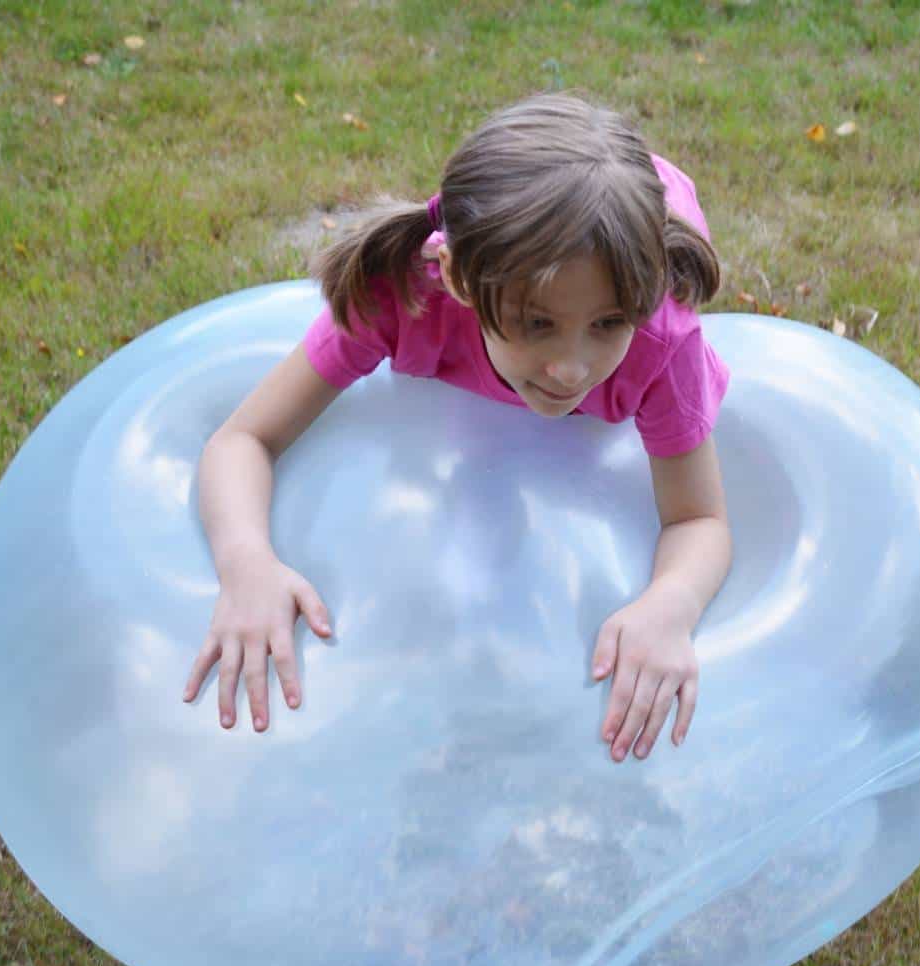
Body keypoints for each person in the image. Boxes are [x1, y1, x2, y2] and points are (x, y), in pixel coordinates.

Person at [182, 90, 732, 765]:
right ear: (456, 277)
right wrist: (246, 564)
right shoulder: (403, 295)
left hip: (645, 204)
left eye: (607, 323)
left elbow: (698, 519)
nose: (571, 366)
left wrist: (670, 603)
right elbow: (242, 439)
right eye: (537, 323)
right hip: (541, 215)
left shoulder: (660, 336)